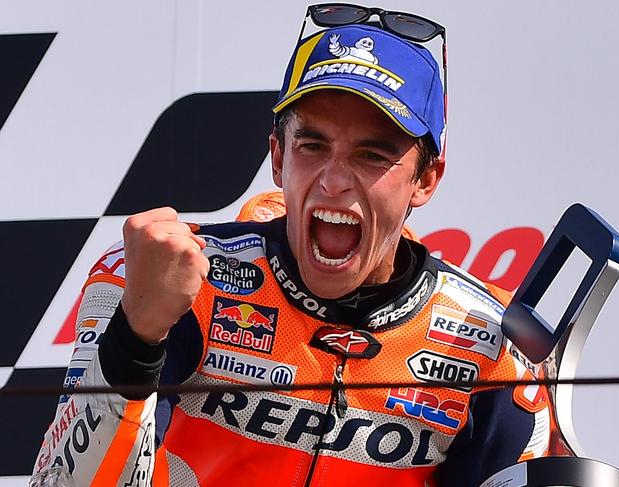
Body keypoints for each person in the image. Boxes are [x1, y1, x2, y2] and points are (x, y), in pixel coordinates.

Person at [32, 4, 551, 486]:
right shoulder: (165, 281)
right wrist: (136, 340)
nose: (333, 180)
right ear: (277, 157)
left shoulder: (493, 343)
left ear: (426, 179)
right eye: (312, 145)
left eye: (372, 155)